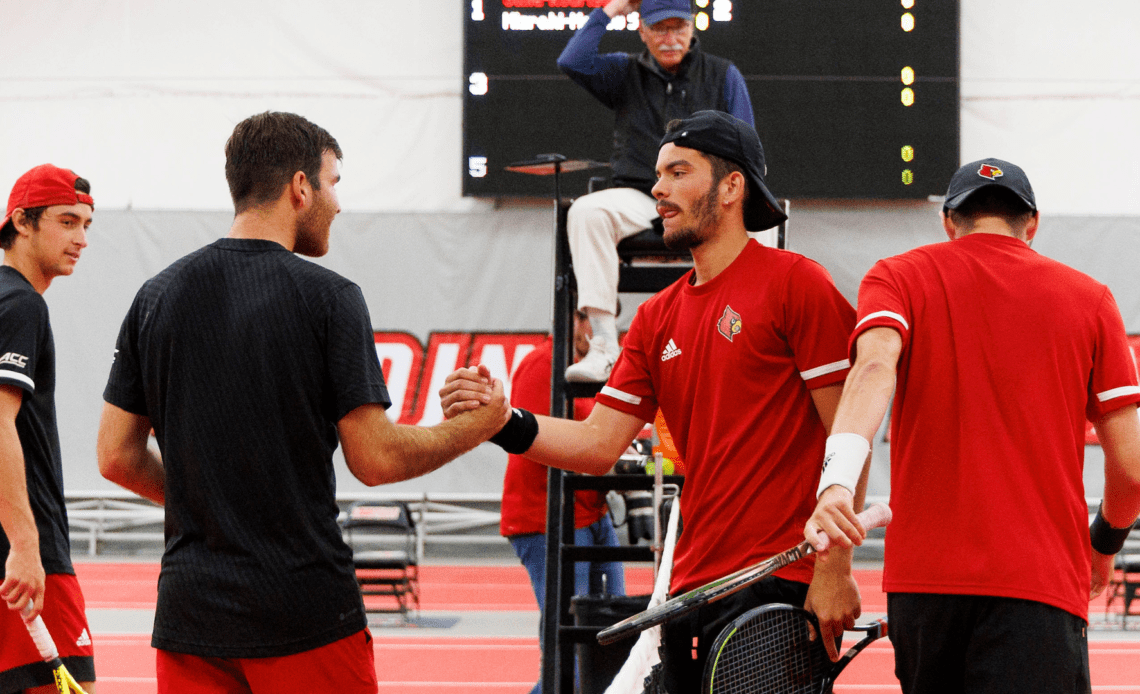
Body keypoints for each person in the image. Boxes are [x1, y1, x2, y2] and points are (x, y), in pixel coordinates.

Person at [443, 111, 861, 692]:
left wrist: (835, 566)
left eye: (677, 172)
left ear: (732, 186)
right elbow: (597, 446)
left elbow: (849, 438)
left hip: (778, 579)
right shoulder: (655, 316)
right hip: (691, 590)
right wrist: (504, 422)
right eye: (657, 174)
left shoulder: (797, 285)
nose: (656, 189)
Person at [95, 111, 509, 694]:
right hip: (303, 610)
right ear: (300, 187)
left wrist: (211, 500)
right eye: (334, 182)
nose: (338, 203)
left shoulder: (156, 295)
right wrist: (481, 425)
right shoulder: (330, 299)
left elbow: (115, 456)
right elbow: (377, 459)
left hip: (191, 616)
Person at [806, 158, 1140, 693]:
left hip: (925, 588)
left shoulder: (897, 275)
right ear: (1031, 224)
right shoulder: (1091, 300)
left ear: (948, 220)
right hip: (1041, 582)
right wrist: (1101, 545)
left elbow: (872, 368)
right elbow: (1134, 468)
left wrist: (837, 483)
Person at [557, 0, 766, 382]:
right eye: (659, 28)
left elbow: (747, 146)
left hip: (704, 198)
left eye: (678, 27)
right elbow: (573, 61)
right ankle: (604, 345)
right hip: (644, 193)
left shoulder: (721, 74)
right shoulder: (625, 72)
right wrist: (610, 9)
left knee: (761, 219)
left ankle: (753, 339)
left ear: (692, 27)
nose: (670, 38)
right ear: (641, 30)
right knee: (586, 211)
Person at [0, 165, 97, 693]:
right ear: (22, 222)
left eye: (86, 224)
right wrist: (26, 544)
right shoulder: (20, 304)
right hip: (27, 569)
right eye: (66, 221)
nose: (81, 239)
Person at [501, 310, 625, 694]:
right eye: (593, 322)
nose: (599, 333)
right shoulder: (545, 364)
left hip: (592, 512)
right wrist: (601, 455)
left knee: (614, 626)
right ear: (574, 319)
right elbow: (536, 442)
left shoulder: (586, 370)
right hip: (546, 517)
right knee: (568, 643)